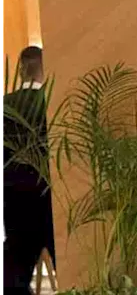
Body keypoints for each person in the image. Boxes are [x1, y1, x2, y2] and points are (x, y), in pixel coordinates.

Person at [0, 46, 55, 292]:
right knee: (79, 272)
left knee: (15, 274)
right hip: (53, 201)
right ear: (45, 69)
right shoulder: (53, 102)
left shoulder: (4, 107)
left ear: (21, 70)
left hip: (13, 203)